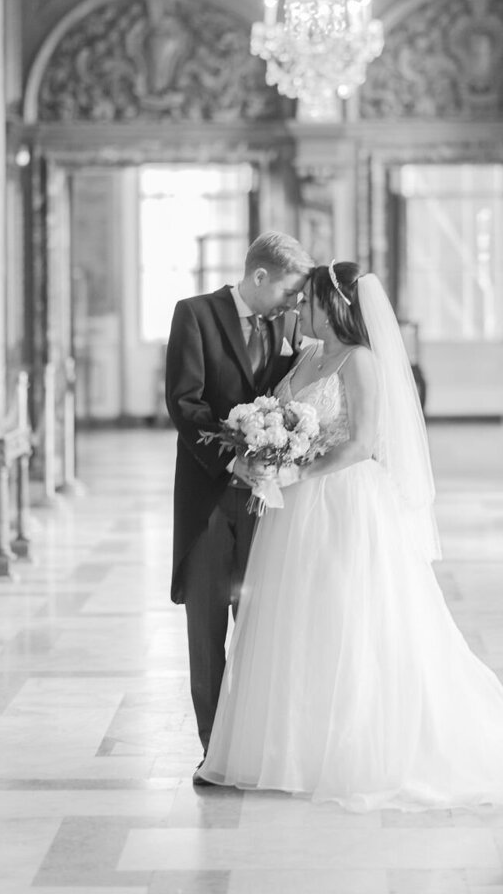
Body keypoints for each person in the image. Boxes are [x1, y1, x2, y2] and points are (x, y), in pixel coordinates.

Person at [198, 261, 503, 811]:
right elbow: (289, 419)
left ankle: (353, 746)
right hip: (294, 510)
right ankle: (289, 747)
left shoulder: (360, 361)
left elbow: (363, 443)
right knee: (297, 617)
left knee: (349, 617)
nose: (300, 309)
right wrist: (267, 451)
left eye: (311, 301)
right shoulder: (310, 354)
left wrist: (296, 471)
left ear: (336, 306)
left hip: (343, 502)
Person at [165, 230, 313, 782]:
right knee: (206, 632)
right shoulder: (195, 316)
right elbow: (185, 403)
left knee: (259, 626)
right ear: (259, 277)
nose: (294, 302)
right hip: (207, 498)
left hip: (265, 503)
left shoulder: (290, 327)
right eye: (289, 290)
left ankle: (254, 747)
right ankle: (215, 754)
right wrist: (231, 462)